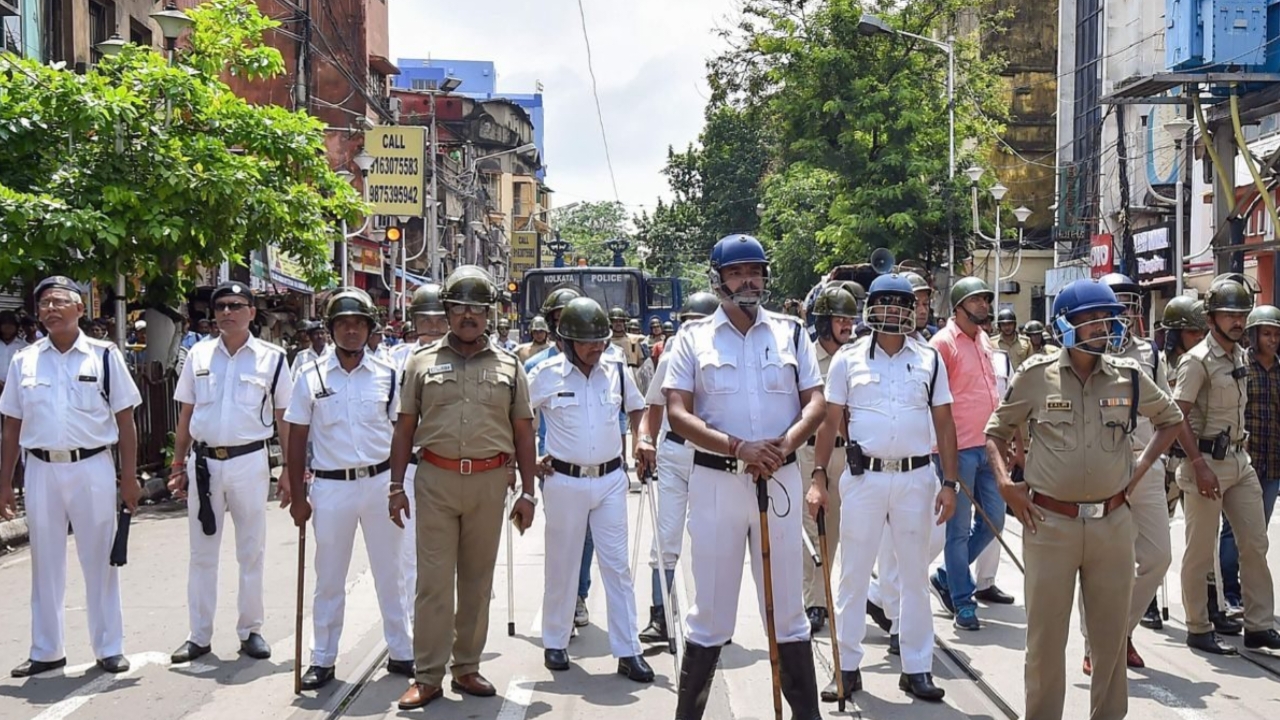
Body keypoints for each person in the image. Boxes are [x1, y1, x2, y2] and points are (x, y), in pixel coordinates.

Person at [986, 278, 1184, 720]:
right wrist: (1005, 485)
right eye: (1090, 318)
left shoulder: (1129, 377)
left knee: (1110, 640)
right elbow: (995, 432)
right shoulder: (1035, 376)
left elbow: (1171, 419)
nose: (1101, 326)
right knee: (1045, 642)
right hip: (1049, 524)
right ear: (1065, 325)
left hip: (1112, 524)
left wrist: (1137, 473)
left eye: (1106, 319)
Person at [663, 234, 825, 720]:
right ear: (718, 280)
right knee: (710, 614)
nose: (747, 281)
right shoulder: (692, 338)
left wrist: (784, 446)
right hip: (718, 484)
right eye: (736, 273)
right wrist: (738, 447)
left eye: (754, 271)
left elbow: (815, 402)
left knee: (788, 611)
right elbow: (677, 414)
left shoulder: (792, 333)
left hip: (780, 479)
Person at [389, 266, 538, 710]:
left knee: (476, 581)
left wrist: (528, 492)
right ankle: (427, 676)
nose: (468, 316)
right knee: (433, 583)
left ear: (489, 314)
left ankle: (467, 666)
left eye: (477, 308)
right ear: (447, 312)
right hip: (435, 480)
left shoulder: (510, 365)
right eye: (459, 308)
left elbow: (524, 431)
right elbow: (404, 427)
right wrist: (395, 487)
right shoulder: (421, 362)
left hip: (489, 484)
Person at [810, 273, 958, 703]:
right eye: (884, 303)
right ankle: (846, 668)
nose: (892, 311)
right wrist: (818, 477)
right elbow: (830, 422)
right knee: (853, 576)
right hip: (864, 479)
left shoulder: (930, 359)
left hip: (916, 479)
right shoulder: (848, 359)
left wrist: (949, 483)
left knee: (914, 578)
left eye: (901, 304)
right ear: (871, 309)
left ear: (912, 311)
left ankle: (917, 668)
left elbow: (945, 423)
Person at [0, 276, 142, 677]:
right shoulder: (24, 360)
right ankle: (47, 649)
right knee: (44, 561)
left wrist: (128, 478)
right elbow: (11, 425)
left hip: (91, 466)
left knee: (100, 560)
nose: (51, 308)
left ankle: (109, 646)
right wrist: (5, 482)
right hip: (41, 469)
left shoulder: (104, 356)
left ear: (80, 308)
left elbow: (126, 420)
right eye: (44, 302)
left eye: (60, 301)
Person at [284, 289, 413, 690]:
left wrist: (397, 486)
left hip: (379, 483)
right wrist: (299, 497)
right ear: (331, 329)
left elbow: (400, 435)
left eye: (359, 324)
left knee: (391, 572)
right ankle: (323, 659)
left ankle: (402, 650)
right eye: (343, 324)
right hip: (331, 487)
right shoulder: (310, 376)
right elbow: (296, 438)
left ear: (370, 329)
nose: (352, 331)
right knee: (329, 577)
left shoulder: (387, 374)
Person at [167, 282, 293, 665]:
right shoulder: (198, 355)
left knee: (251, 550)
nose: (227, 312)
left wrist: (289, 469)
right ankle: (199, 635)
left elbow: (284, 417)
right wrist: (177, 465)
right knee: (201, 553)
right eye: (221, 306)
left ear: (251, 312)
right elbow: (186, 413)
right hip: (204, 464)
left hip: (249, 461)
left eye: (236, 305)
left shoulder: (273, 359)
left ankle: (251, 630)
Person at [528, 297, 653, 681]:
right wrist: (527, 460)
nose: (596, 348)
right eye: (587, 342)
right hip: (564, 481)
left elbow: (637, 408)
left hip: (611, 479)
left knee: (617, 566)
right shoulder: (545, 374)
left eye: (600, 341)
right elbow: (517, 418)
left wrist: (642, 438)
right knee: (562, 564)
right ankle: (555, 641)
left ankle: (628, 650)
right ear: (566, 342)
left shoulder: (615, 368)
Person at [1173, 278, 1280, 655]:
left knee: (1255, 542)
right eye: (1229, 314)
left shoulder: (1239, 356)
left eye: (1241, 314)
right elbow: (1177, 417)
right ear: (1211, 318)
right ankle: (1198, 626)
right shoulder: (1197, 360)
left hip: (1239, 459)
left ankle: (1259, 625)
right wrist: (1198, 464)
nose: (1237, 321)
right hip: (1206, 463)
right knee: (1200, 552)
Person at [1076, 272, 1173, 674]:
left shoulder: (1150, 353)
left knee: (1158, 557)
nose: (1123, 310)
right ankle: (1094, 643)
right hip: (1099, 466)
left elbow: (1169, 412)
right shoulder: (1083, 349)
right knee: (1100, 563)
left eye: (1130, 301)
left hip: (1143, 462)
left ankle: (1119, 631)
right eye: (1115, 302)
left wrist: (1160, 464)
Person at [634, 291, 719, 645]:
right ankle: (660, 615)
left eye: (699, 323)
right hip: (674, 454)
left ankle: (711, 615)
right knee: (666, 535)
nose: (691, 330)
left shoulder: (726, 357)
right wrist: (645, 442)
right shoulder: (671, 356)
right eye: (687, 323)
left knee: (710, 537)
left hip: (713, 457)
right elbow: (653, 406)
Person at [526, 286, 613, 630]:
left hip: (597, 471)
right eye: (561, 319)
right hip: (555, 468)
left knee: (589, 536)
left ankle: (579, 594)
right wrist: (528, 461)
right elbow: (521, 419)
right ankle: (558, 606)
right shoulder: (537, 367)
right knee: (563, 539)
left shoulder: (605, 363)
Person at [928, 277, 1005, 630]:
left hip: (988, 446)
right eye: (976, 301)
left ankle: (948, 573)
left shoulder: (984, 340)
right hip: (956, 451)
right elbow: (931, 400)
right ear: (958, 307)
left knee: (994, 521)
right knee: (957, 530)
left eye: (986, 300)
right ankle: (963, 602)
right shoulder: (942, 345)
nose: (984, 306)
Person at [796, 284, 857, 634]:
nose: (847, 325)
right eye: (839, 319)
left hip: (847, 453)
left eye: (850, 319)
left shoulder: (857, 357)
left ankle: (827, 596)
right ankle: (815, 601)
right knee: (813, 524)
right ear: (823, 322)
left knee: (835, 530)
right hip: (810, 453)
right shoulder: (806, 358)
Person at [390, 283, 449, 621]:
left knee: (449, 549)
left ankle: (448, 621)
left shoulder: (462, 356)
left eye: (440, 320)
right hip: (411, 465)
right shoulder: (395, 361)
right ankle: (416, 623)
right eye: (425, 321)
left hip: (451, 465)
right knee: (409, 550)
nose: (433, 328)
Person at [1218, 304, 1280, 618]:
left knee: (1257, 533)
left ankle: (1249, 594)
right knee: (1232, 530)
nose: (1273, 340)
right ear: (1254, 336)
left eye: (1276, 334)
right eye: (1267, 333)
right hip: (1243, 462)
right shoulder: (1239, 366)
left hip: (1273, 463)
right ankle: (1229, 592)